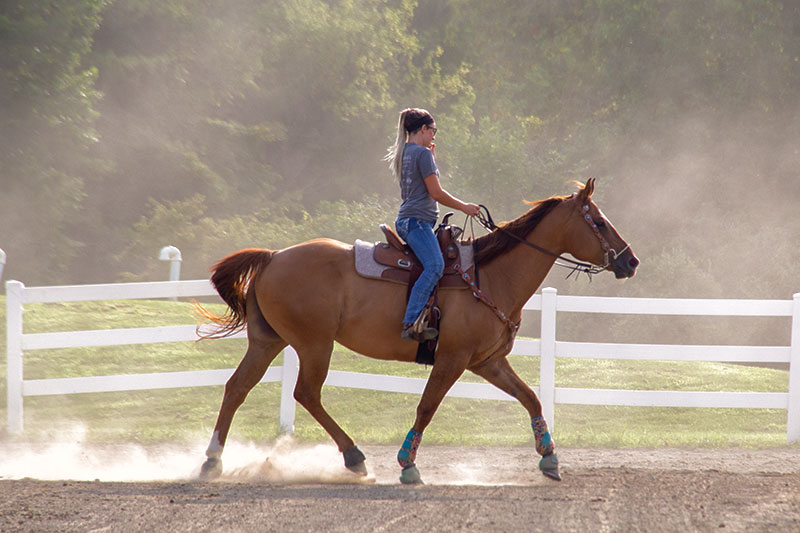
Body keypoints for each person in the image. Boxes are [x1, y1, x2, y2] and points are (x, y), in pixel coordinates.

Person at [384, 108, 481, 342]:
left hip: (408, 220)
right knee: (435, 266)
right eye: (433, 130)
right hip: (417, 222)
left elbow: (420, 186)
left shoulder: (405, 151)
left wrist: (432, 160)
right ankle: (410, 322)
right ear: (423, 129)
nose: (434, 136)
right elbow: (435, 193)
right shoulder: (422, 154)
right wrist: (465, 207)